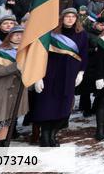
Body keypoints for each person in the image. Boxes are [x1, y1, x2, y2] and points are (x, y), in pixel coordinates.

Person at [32, 8, 88, 147]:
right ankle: (45, 136)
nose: (70, 19)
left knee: (64, 106)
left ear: (76, 19)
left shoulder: (81, 34)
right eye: (67, 16)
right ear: (62, 18)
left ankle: (53, 134)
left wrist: (81, 72)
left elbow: (84, 54)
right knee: (47, 105)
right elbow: (40, 54)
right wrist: (38, 76)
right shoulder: (52, 33)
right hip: (50, 73)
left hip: (69, 75)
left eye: (73, 16)